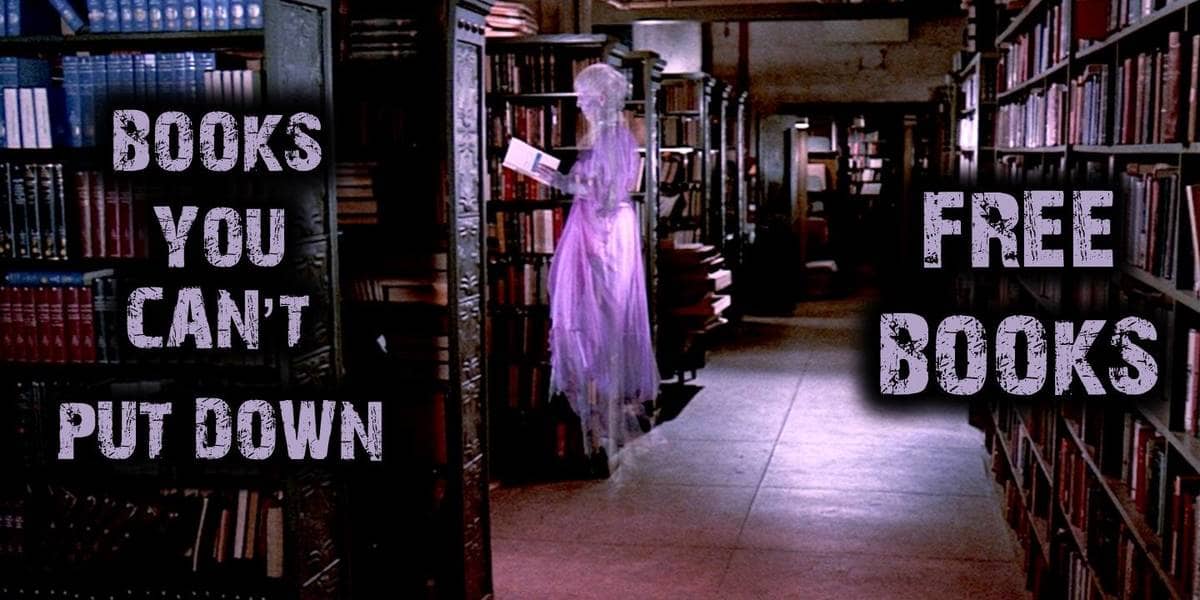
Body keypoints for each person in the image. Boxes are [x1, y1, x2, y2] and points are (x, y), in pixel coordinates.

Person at [536, 63, 657, 468]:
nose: (580, 105)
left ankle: (596, 426)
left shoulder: (610, 138)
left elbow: (601, 195)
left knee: (593, 322)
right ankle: (596, 421)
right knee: (598, 322)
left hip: (600, 235)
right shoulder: (617, 136)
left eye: (584, 98)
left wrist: (554, 178)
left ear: (601, 98)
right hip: (606, 230)